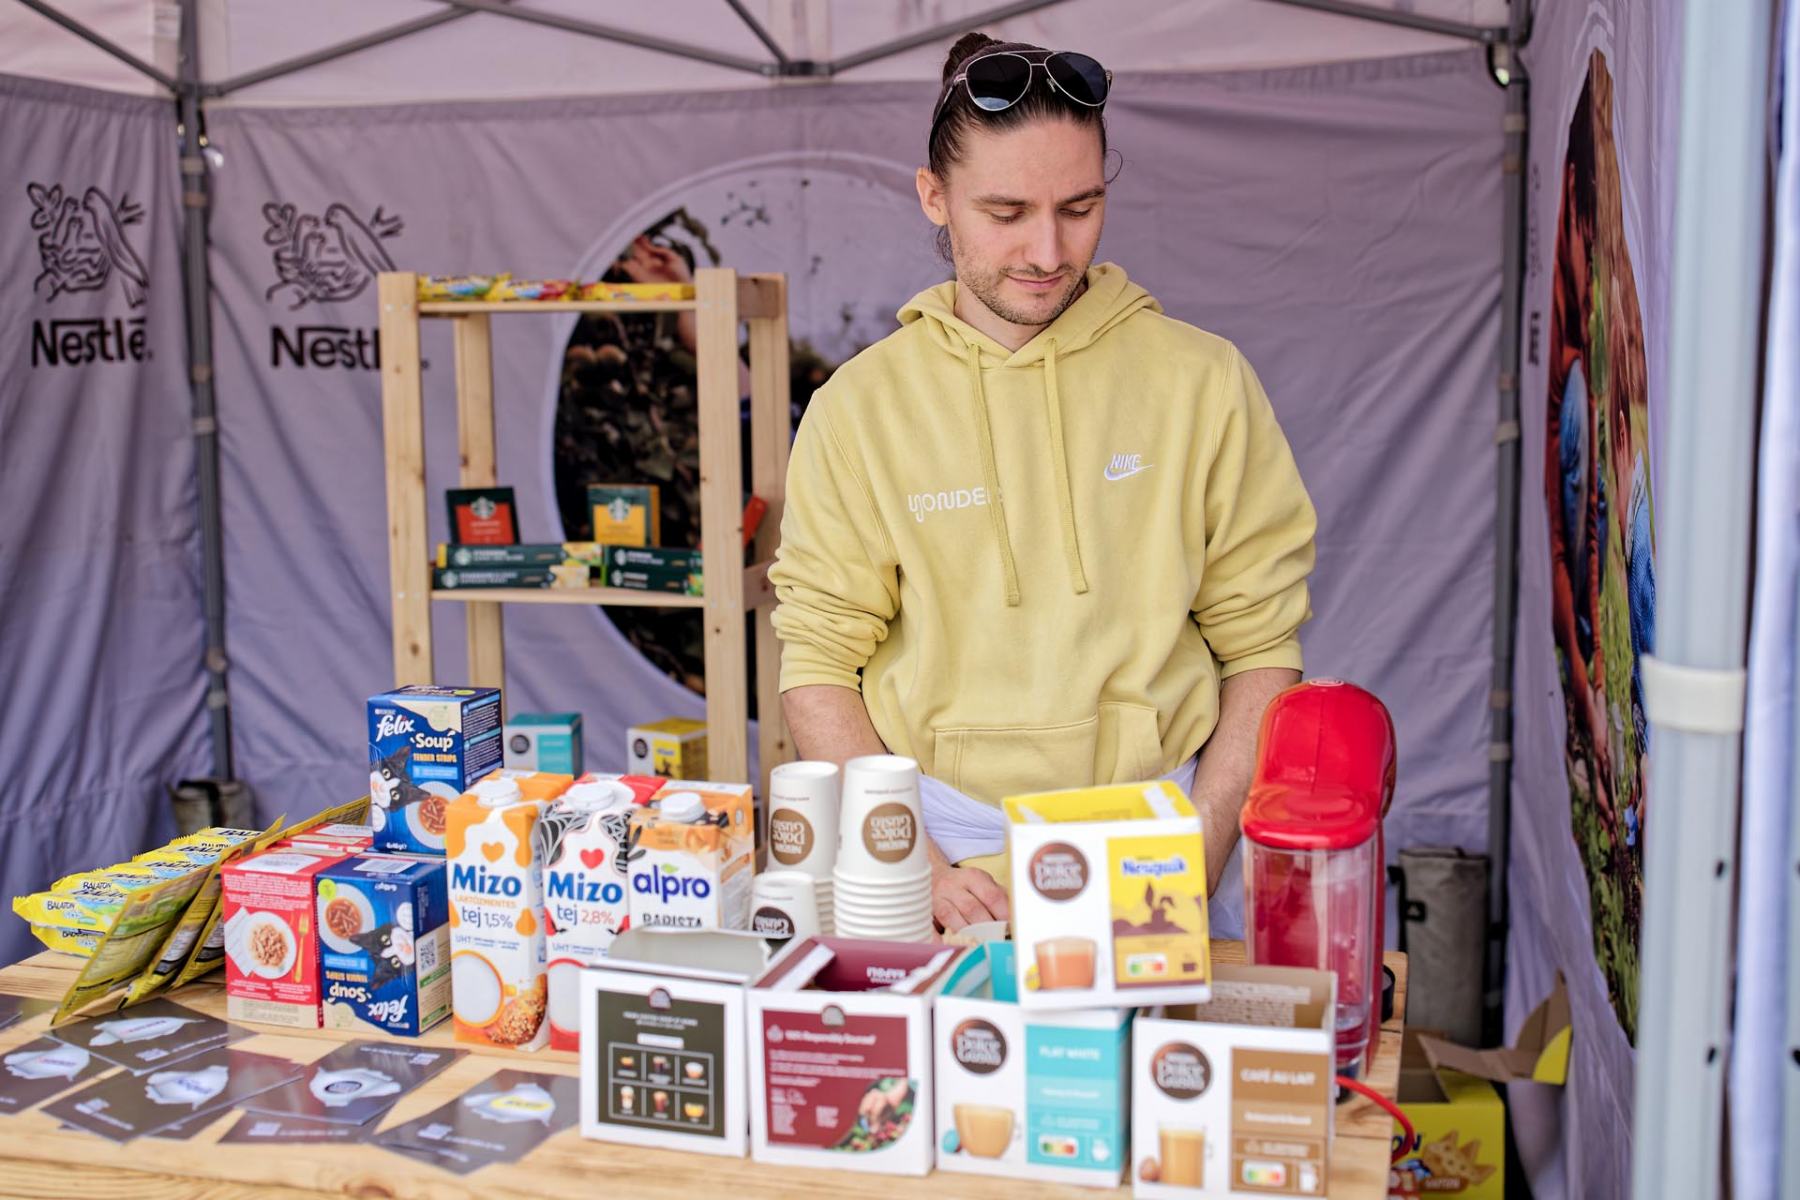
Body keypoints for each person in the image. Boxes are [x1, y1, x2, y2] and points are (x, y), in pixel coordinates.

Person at [768, 33, 1317, 934]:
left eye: (1080, 206)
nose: (1047, 249)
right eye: (1006, 211)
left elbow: (1262, 645)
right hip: (943, 849)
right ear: (934, 197)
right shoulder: (858, 409)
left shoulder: (1203, 381)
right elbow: (820, 664)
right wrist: (913, 867)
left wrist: (1203, 844)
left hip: (1156, 837)